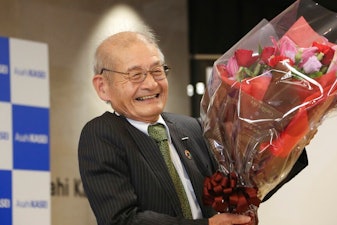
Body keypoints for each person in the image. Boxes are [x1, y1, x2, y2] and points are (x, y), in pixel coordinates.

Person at [78, 29, 308, 225]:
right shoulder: (103, 134)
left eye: (157, 71)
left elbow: (240, 185)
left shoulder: (191, 128)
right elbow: (122, 220)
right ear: (102, 87)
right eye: (135, 75)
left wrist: (290, 131)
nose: (150, 84)